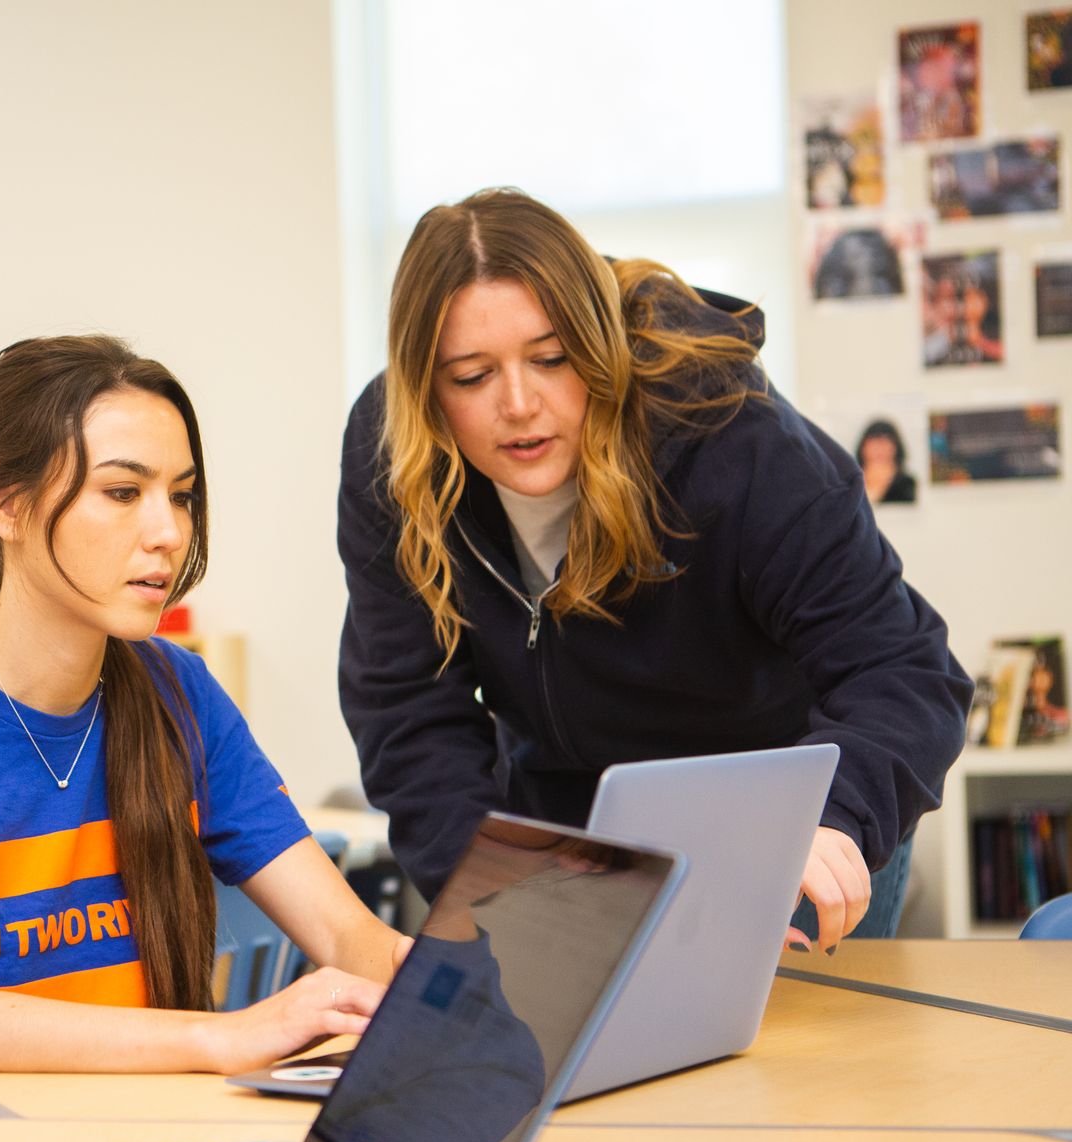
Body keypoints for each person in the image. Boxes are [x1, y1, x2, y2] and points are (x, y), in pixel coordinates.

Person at [0, 335, 411, 1114]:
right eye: (121, 492)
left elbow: (349, 937)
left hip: (143, 1136)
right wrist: (216, 1037)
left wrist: (442, 990)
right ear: (2, 501)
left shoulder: (179, 691)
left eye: (181, 494)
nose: (168, 531)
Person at [337, 189, 972, 953]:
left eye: (551, 358)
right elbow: (409, 714)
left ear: (600, 346)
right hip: (574, 831)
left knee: (798, 1066)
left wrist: (832, 816)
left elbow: (902, 669)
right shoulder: (391, 457)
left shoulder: (734, 437)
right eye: (470, 376)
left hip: (793, 824)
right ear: (423, 389)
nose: (518, 403)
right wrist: (495, 888)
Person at [856, 419, 918, 505]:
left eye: (885, 444)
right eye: (874, 444)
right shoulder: (851, 484)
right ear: (863, 448)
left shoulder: (906, 484)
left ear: (896, 448)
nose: (879, 450)